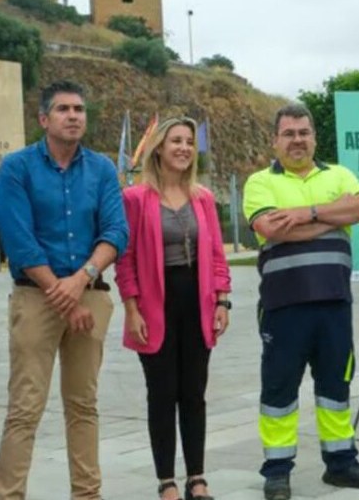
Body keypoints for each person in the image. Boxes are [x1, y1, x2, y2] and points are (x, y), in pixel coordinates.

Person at [0, 80, 129, 500]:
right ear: (43, 119)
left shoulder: (102, 169)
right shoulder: (17, 168)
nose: (73, 116)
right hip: (36, 297)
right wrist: (63, 294)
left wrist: (80, 280)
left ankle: (87, 495)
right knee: (25, 409)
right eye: (64, 109)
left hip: (89, 293)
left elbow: (116, 232)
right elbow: (19, 241)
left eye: (80, 109)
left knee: (83, 405)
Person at [242, 103, 359, 500]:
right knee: (279, 390)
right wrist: (333, 219)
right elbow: (271, 228)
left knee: (335, 387)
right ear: (275, 140)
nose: (297, 140)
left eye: (304, 132)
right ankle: (277, 471)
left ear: (314, 137)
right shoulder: (259, 182)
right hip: (283, 307)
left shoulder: (338, 174)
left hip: (335, 303)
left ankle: (341, 464)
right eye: (289, 133)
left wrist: (306, 212)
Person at [114, 117, 233, 500]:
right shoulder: (135, 198)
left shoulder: (203, 197)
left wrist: (222, 300)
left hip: (196, 303)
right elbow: (126, 259)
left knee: (194, 393)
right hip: (154, 305)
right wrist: (132, 310)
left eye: (188, 141)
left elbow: (216, 254)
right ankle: (166, 480)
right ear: (159, 148)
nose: (183, 147)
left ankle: (197, 478)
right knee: (162, 393)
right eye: (175, 141)